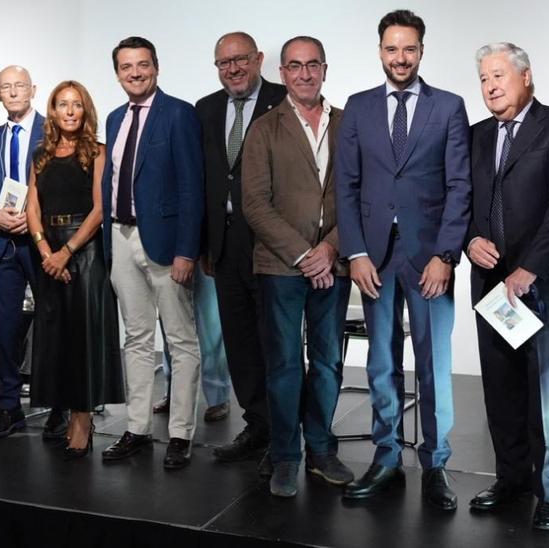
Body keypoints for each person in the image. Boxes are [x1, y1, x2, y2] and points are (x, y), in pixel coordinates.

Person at [334, 10, 471, 511]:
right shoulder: (358, 107)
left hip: (429, 257)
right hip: (374, 258)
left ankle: (435, 463)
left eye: (409, 48)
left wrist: (446, 255)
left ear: (421, 51)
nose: (400, 57)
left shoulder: (450, 107)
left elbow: (460, 187)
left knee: (434, 364)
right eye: (392, 48)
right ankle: (387, 456)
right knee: (382, 362)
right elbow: (345, 188)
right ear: (380, 52)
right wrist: (357, 253)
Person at [464, 42, 549, 530]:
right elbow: (464, 198)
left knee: (547, 389)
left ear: (526, 77)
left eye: (499, 76)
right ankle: (511, 479)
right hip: (491, 283)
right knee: (501, 387)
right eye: (484, 79)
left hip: (542, 283)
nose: (491, 86)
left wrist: (530, 267)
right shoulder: (474, 135)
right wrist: (469, 238)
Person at [241, 35, 354, 498]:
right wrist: (306, 255)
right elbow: (254, 204)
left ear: (325, 69)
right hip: (282, 268)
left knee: (327, 363)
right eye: (294, 66)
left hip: (335, 264)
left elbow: (360, 196)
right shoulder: (265, 129)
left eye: (312, 65)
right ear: (282, 73)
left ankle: (322, 449)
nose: (304, 73)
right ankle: (287, 455)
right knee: (285, 365)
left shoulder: (350, 125)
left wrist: (330, 249)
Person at [99, 36, 204, 470]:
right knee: (136, 339)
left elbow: (192, 187)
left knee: (180, 340)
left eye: (143, 65)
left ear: (156, 67)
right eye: (127, 67)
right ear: (118, 73)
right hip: (122, 239)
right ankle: (137, 427)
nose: (135, 73)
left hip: (165, 244)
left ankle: (180, 433)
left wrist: (186, 251)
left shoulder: (179, 113)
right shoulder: (112, 119)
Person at [195, 31, 288, 469]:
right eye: (223, 62)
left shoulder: (285, 101)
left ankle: (285, 433)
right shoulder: (206, 109)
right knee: (239, 342)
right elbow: (203, 182)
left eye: (241, 60)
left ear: (259, 59)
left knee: (277, 342)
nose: (232, 69)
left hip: (271, 242)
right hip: (225, 243)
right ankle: (257, 425)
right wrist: (202, 245)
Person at [25, 80, 124, 459]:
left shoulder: (97, 152)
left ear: (86, 111)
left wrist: (66, 251)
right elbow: (32, 207)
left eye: (76, 104)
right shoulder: (41, 155)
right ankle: (63, 412)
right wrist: (46, 250)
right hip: (48, 250)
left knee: (83, 339)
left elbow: (101, 210)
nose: (69, 111)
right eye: (62, 104)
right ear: (52, 111)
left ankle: (83, 419)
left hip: (84, 250)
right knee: (56, 339)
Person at [0, 65, 65, 442]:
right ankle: (9, 406)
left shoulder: (55, 130)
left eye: (19, 86)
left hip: (44, 243)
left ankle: (60, 407)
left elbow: (65, 187)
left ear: (33, 89)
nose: (13, 92)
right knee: (7, 330)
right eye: (5, 88)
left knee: (52, 325)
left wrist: (34, 222)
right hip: (3, 244)